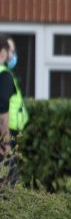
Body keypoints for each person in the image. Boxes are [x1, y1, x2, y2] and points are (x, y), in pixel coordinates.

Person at [0, 35, 29, 188]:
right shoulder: (4, 75)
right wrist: (6, 142)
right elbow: (3, 105)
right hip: (4, 137)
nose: (11, 55)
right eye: (9, 50)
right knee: (10, 191)